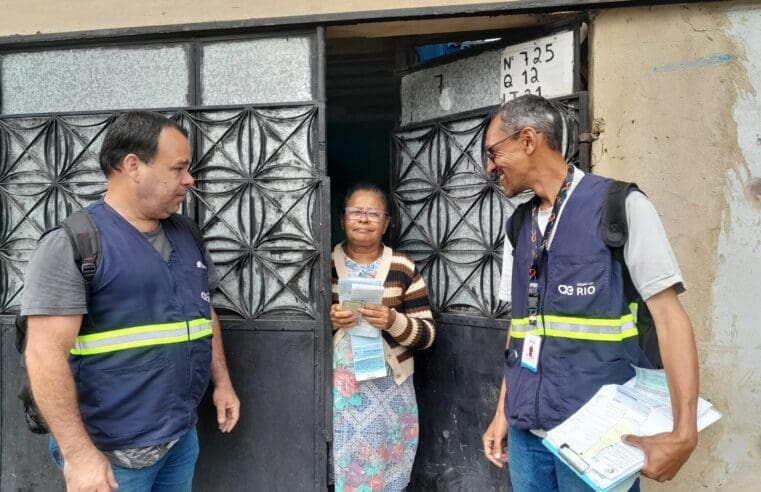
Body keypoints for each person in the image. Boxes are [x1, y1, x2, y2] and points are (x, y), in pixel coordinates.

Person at [481, 95, 699, 491]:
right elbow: (520, 329)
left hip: (599, 436)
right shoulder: (518, 227)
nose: (490, 166)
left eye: (494, 152)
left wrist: (685, 431)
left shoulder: (621, 207)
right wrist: (503, 413)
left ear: (528, 140)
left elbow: (670, 318)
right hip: (527, 433)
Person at [22, 111, 240, 492]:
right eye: (178, 168)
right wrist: (78, 454)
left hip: (179, 439)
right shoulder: (74, 243)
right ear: (133, 166)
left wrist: (222, 382)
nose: (189, 179)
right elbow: (43, 355)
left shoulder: (186, 233)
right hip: (110, 455)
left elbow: (202, 312)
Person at [330, 184, 436, 492]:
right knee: (346, 467)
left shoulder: (402, 267)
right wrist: (331, 318)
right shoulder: (324, 265)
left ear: (387, 222)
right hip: (342, 393)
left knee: (388, 468)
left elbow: (427, 334)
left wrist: (393, 321)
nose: (364, 219)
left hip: (392, 388)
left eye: (373, 213)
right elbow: (301, 324)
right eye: (356, 212)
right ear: (342, 219)